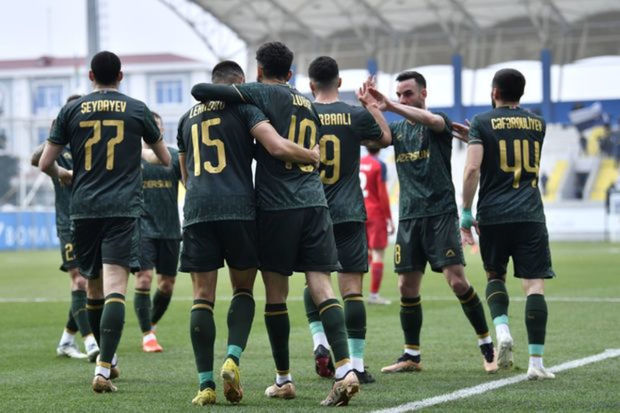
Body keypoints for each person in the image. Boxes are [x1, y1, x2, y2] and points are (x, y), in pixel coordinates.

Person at [191, 42, 360, 406]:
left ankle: (283, 379)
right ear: (291, 72)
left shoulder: (261, 93)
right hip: (315, 201)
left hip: (277, 206)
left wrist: (237, 92)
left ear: (259, 71)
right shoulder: (307, 103)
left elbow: (201, 90)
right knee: (322, 287)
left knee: (275, 295)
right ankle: (346, 369)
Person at [179, 60, 320, 406]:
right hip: (239, 208)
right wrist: (310, 155)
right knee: (243, 289)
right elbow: (274, 145)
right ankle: (232, 358)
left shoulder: (186, 118)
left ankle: (205, 385)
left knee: (202, 297)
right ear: (239, 83)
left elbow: (184, 172)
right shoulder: (245, 109)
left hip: (198, 209)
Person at [39, 51, 171, 393]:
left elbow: (44, 163)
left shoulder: (71, 110)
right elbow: (164, 158)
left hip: (83, 209)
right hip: (122, 209)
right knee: (115, 287)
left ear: (90, 76)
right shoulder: (137, 109)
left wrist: (64, 173)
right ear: (121, 76)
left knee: (93, 288)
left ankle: (105, 361)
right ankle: (103, 368)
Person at [359, 72, 498, 374]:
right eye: (399, 94)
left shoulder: (439, 122)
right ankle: (411, 355)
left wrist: (390, 105)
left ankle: (487, 344)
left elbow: (432, 120)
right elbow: (379, 136)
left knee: (457, 281)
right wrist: (370, 106)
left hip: (440, 214)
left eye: (408, 93)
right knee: (405, 286)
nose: (403, 98)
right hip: (409, 216)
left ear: (423, 94)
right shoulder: (397, 130)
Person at [457, 68, 556, 380]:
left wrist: (465, 212)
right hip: (530, 214)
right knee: (534, 285)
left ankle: (502, 332)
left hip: (493, 214)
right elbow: (511, 142)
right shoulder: (538, 123)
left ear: (494, 92)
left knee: (494, 275)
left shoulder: (481, 122)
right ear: (521, 93)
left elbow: (472, 169)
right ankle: (536, 363)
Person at [302, 56, 390, 384]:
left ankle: (320, 343)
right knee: (352, 292)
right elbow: (385, 138)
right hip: (350, 211)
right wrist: (371, 106)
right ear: (339, 82)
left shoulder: (303, 114)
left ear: (311, 85)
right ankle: (357, 364)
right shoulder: (354, 114)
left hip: (314, 211)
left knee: (315, 281)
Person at [31, 96, 99, 362]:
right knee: (79, 280)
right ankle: (91, 342)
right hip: (68, 221)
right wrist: (55, 134)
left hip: (93, 220)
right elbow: (35, 159)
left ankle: (66, 340)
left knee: (91, 283)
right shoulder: (60, 147)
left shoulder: (95, 143)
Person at [133, 111, 182, 353]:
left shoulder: (173, 157)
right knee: (144, 278)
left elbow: (190, 183)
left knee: (167, 285)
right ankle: (147, 335)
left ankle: (150, 325)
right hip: (142, 228)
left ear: (162, 130)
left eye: (157, 126)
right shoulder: (132, 158)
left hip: (170, 229)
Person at [360, 147, 394, 305]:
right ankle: (374, 295)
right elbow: (382, 193)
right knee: (378, 254)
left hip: (360, 212)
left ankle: (354, 293)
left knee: (363, 255)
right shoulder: (379, 165)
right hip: (375, 213)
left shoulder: (359, 163)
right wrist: (389, 218)